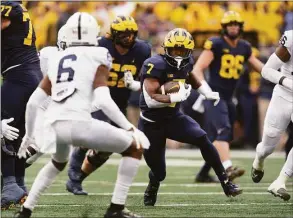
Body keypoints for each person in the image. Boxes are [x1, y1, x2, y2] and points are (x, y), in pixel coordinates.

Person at [14, 12, 149, 218]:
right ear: (94, 33)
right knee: (135, 147)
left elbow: (34, 102)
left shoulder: (58, 57)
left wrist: (29, 135)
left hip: (56, 125)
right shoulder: (99, 54)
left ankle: (26, 210)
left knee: (57, 163)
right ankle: (116, 208)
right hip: (79, 124)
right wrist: (130, 128)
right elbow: (103, 100)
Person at [139, 28, 242, 207]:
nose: (178, 56)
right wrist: (174, 97)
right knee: (159, 171)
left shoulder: (187, 64)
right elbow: (150, 100)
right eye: (175, 50)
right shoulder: (154, 64)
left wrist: (207, 93)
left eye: (182, 51)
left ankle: (226, 182)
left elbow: (192, 78)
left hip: (174, 118)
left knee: (202, 138)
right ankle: (153, 185)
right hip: (151, 123)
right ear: (166, 48)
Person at [66, 15, 151, 195]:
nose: (128, 38)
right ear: (112, 35)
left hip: (119, 102)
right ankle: (73, 172)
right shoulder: (99, 46)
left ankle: (77, 178)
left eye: (131, 34)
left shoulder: (142, 50)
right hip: (96, 98)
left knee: (107, 148)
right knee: (91, 134)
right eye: (123, 34)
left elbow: (144, 82)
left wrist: (134, 84)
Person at [192, 11, 263, 182]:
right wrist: (206, 90)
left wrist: (282, 75)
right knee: (222, 131)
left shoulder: (245, 47)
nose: (233, 27)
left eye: (236, 24)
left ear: (240, 27)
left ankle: (203, 174)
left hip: (229, 98)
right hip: (214, 96)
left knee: (221, 137)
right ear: (224, 27)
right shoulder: (215, 44)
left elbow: (262, 68)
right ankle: (228, 169)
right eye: (229, 24)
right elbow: (197, 70)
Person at [1, 1, 43, 209]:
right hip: (29, 73)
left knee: (3, 128)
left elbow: (3, 22)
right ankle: (18, 184)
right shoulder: (17, 7)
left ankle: (9, 185)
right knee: (17, 133)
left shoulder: (8, 7)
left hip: (19, 75)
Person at [18, 25, 68, 168]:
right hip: (40, 104)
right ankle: (10, 173)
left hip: (54, 109)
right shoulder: (48, 55)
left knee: (41, 146)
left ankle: (11, 175)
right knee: (38, 144)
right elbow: (29, 73)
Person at [251, 29, 293, 201]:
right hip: (283, 95)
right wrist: (287, 81)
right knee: (269, 143)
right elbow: (266, 70)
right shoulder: (291, 39)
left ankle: (280, 181)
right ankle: (259, 160)